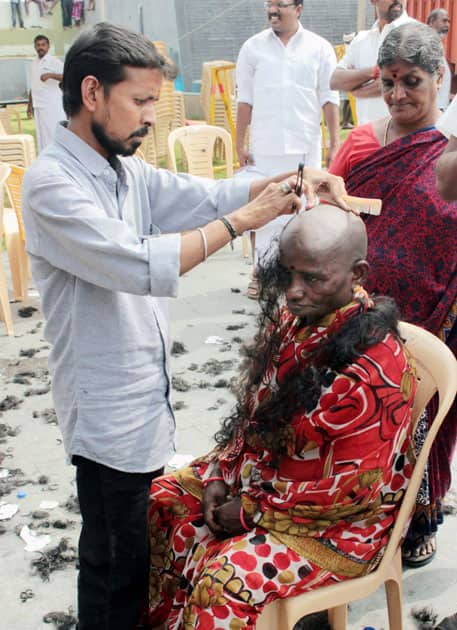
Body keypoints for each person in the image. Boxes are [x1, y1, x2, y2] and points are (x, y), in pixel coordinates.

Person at [21, 22, 346, 630]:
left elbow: (201, 194)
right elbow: (137, 262)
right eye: (140, 101)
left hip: (145, 398)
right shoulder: (52, 185)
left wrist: (285, 182)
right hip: (106, 412)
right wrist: (247, 220)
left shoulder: (125, 171)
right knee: (113, 568)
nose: (150, 116)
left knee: (135, 557)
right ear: (92, 92)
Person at [147, 204, 417, 629]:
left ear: (358, 274)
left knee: (224, 580)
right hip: (264, 481)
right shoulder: (298, 322)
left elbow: (349, 493)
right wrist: (220, 473)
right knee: (159, 500)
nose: (292, 291)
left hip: (335, 526)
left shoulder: (375, 368)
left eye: (312, 278)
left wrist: (251, 511)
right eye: (288, 273)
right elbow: (253, 420)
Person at [329, 22, 457, 568]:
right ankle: (359, 521)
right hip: (365, 314)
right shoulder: (360, 144)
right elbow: (330, 218)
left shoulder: (450, 152)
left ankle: (419, 521)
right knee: (364, 422)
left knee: (426, 421)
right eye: (388, 82)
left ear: (439, 80)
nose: (399, 93)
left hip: (437, 315)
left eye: (412, 81)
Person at [235, 0, 339, 286]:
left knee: (304, 209)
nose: (273, 11)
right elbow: (245, 99)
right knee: (266, 209)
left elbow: (329, 98)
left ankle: (299, 277)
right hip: (264, 145)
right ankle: (262, 272)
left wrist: (333, 142)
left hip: (305, 143)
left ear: (299, 8)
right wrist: (239, 143)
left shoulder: (319, 48)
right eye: (269, 4)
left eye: (280, 4)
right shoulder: (251, 48)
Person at [330, 0, 414, 125]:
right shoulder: (361, 40)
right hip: (365, 136)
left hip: (402, 137)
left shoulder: (416, 34)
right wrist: (375, 71)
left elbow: (398, 83)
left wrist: (357, 89)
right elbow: (335, 81)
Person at [27, 34, 66, 152]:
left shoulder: (53, 61)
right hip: (38, 105)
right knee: (42, 136)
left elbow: (67, 76)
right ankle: (44, 159)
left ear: (48, 46)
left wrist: (50, 75)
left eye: (43, 45)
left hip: (52, 105)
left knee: (53, 133)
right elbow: (33, 86)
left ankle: (58, 158)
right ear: (34, 47)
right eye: (38, 45)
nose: (40, 47)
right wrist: (29, 105)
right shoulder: (33, 63)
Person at [427, 8, 452, 111]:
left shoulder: (436, 43)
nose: (447, 25)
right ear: (432, 22)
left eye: (449, 22)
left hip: (439, 106)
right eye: (444, 20)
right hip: (434, 108)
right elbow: (436, 75)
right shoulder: (429, 42)